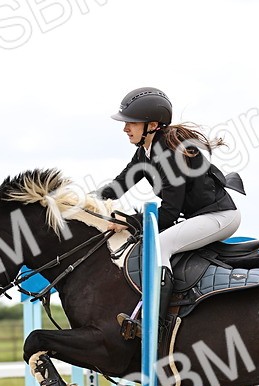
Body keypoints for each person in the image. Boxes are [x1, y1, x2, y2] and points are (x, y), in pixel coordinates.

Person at [96, 87, 243, 343]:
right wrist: (86, 204)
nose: (125, 129)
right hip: (201, 216)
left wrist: (128, 222)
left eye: (131, 123)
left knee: (160, 244)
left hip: (220, 217)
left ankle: (156, 323)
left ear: (152, 125)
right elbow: (121, 184)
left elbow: (168, 214)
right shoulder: (147, 149)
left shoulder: (169, 154)